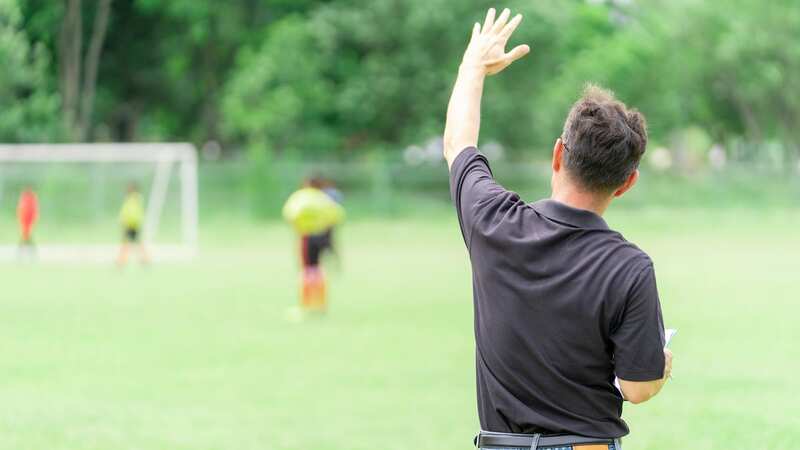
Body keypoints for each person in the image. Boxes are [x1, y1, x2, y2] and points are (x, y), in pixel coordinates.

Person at [444, 8, 673, 450]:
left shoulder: (493, 220)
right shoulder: (630, 268)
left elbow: (458, 143)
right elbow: (637, 388)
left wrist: (473, 67)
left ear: (557, 155)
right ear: (627, 183)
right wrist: (660, 363)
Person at [282, 176, 345, 317]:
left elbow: (290, 214)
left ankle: (306, 305)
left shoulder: (300, 197)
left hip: (306, 237)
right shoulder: (324, 198)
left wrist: (301, 226)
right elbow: (337, 216)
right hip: (323, 236)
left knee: (306, 272)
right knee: (318, 272)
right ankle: (321, 305)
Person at [117, 183, 149, 266]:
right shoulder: (134, 199)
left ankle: (121, 262)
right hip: (132, 225)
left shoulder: (133, 199)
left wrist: (124, 221)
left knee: (128, 244)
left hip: (131, 225)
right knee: (135, 244)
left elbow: (130, 213)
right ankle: (144, 260)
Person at [17, 186, 39, 259]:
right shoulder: (25, 198)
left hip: (28, 221)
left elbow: (34, 211)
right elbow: (21, 211)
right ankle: (27, 253)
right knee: (26, 236)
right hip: (25, 221)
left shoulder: (31, 199)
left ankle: (26, 253)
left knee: (26, 236)